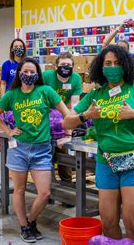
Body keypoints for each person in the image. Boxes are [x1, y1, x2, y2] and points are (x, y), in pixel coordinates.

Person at [63, 45, 134, 242]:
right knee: (108, 221)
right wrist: (86, 115)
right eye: (108, 63)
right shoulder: (96, 95)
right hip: (107, 162)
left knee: (131, 220)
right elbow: (67, 121)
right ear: (101, 68)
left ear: (126, 65)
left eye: (117, 63)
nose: (113, 67)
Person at [0, 57, 70, 243]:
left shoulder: (46, 91)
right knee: (19, 190)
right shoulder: (12, 94)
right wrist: (8, 131)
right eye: (25, 72)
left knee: (45, 193)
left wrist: (69, 135)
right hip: (19, 148)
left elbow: (67, 114)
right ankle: (24, 226)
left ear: (37, 74)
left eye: (32, 72)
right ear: (19, 74)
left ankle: (32, 221)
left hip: (42, 150)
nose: (28, 75)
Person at [42, 51, 82, 207]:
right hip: (45, 118)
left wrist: (68, 134)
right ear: (56, 65)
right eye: (62, 65)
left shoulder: (76, 79)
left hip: (63, 119)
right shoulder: (46, 76)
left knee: (64, 153)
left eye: (69, 65)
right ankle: (49, 192)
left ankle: (67, 191)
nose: (66, 68)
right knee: (47, 156)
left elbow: (74, 106)